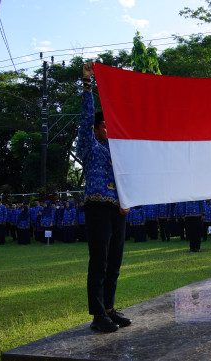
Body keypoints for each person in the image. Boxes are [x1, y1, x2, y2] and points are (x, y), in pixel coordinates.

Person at [78, 62, 131, 332]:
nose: (110, 131)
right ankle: (98, 315)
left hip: (118, 210)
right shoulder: (91, 148)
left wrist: (127, 203)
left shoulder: (120, 153)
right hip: (98, 207)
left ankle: (109, 309)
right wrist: (88, 83)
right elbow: (85, 119)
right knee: (99, 260)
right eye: (106, 126)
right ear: (97, 129)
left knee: (114, 262)